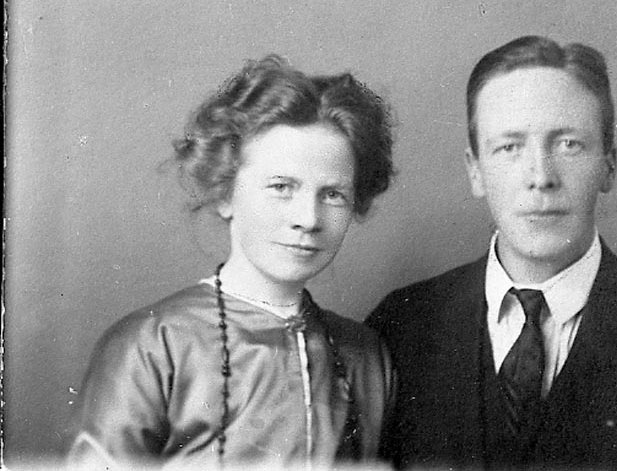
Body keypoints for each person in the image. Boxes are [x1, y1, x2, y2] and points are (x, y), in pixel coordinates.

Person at [68, 55, 395, 469]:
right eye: (281, 187)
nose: (308, 219)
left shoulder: (365, 356)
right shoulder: (153, 344)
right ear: (225, 193)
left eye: (333, 194)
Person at [367, 36, 617, 470]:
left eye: (568, 144)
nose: (541, 177)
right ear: (475, 171)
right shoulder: (401, 328)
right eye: (510, 147)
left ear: (609, 164)